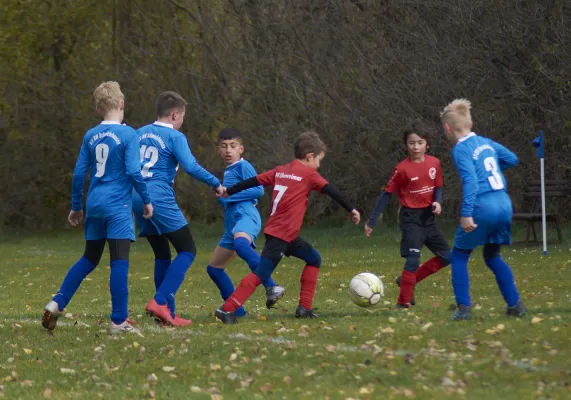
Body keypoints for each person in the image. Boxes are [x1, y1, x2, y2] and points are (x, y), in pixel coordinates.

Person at [214, 131, 361, 324]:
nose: (319, 165)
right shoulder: (309, 174)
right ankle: (227, 309)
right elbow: (331, 190)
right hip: (282, 235)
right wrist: (351, 209)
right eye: (319, 160)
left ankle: (304, 308)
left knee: (314, 259)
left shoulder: (281, 170)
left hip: (285, 233)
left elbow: (254, 181)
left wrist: (229, 190)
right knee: (261, 273)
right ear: (309, 156)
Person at [42, 81, 153, 334]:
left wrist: (76, 206)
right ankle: (119, 321)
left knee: (89, 258)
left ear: (97, 108)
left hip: (94, 205)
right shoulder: (129, 134)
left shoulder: (90, 135)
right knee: (119, 261)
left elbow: (80, 173)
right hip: (118, 206)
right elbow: (135, 172)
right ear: (122, 104)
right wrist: (146, 200)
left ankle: (57, 302)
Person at [132, 91, 223, 326]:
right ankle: (160, 301)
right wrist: (216, 183)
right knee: (187, 250)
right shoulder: (175, 136)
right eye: (182, 116)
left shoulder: (139, 133)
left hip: (135, 195)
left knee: (162, 253)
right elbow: (191, 167)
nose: (182, 121)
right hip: (158, 195)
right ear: (174, 114)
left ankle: (167, 314)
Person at [440, 98, 527, 320]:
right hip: (504, 203)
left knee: (459, 256)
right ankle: (515, 305)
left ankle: (463, 310)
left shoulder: (461, 149)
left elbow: (470, 182)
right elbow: (512, 159)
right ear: (471, 123)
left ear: (448, 128)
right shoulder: (486, 143)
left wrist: (466, 213)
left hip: (483, 205)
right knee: (492, 255)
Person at [365, 120, 450, 308]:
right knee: (413, 259)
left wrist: (438, 202)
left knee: (447, 256)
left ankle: (407, 282)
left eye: (420, 142)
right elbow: (386, 195)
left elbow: (438, 187)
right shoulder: (402, 169)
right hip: (410, 219)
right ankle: (403, 303)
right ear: (406, 145)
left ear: (427, 143)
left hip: (428, 218)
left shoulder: (434, 163)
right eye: (412, 143)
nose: (416, 147)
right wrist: (372, 220)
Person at [206, 128, 285, 317]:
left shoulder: (243, 166)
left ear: (241, 149)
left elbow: (258, 190)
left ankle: (271, 286)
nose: (228, 151)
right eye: (224, 147)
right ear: (218, 150)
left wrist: (228, 193)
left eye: (233, 146)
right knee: (214, 269)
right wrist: (223, 195)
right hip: (231, 224)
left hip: (246, 216)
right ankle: (237, 311)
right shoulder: (228, 170)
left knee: (242, 245)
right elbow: (227, 197)